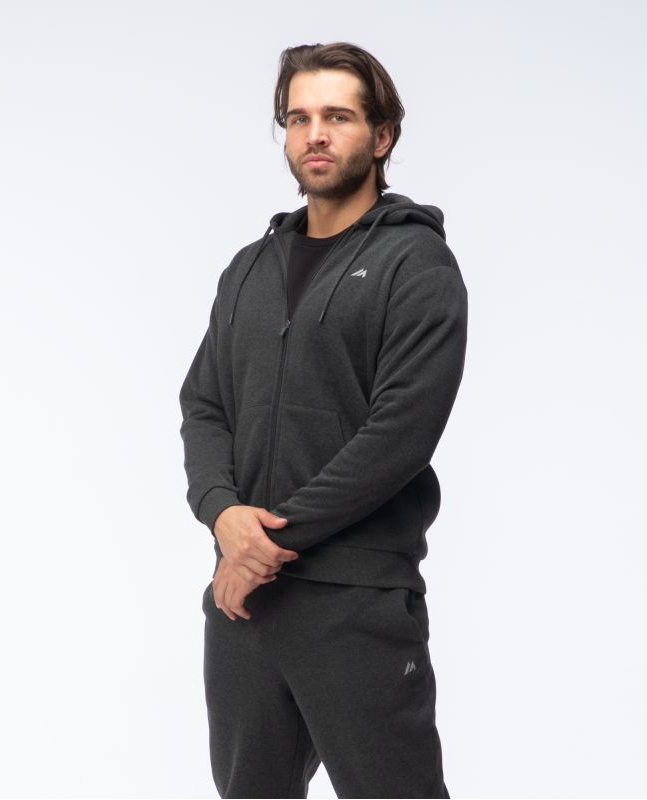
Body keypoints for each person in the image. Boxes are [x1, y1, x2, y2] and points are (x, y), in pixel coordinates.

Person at [179, 41, 468, 799]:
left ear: (382, 136)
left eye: (338, 116)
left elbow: (399, 434)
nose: (315, 134)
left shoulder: (416, 265)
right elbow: (204, 404)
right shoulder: (249, 267)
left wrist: (263, 545)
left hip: (355, 600)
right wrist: (222, 516)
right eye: (299, 117)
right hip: (244, 607)